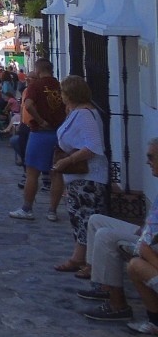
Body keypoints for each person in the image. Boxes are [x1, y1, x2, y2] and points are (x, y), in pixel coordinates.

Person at [77, 138, 158, 327]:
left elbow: (147, 242)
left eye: (151, 157)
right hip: (147, 233)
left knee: (106, 236)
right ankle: (102, 284)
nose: (148, 162)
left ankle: (117, 303)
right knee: (96, 220)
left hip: (151, 241)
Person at [52, 75, 107, 272]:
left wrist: (68, 160)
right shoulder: (78, 112)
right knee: (79, 217)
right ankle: (80, 258)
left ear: (71, 94)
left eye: (63, 92)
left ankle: (90, 263)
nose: (61, 95)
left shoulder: (85, 115)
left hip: (89, 177)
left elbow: (93, 146)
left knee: (86, 219)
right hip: (79, 178)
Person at [9, 58, 65, 221]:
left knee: (32, 173)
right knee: (57, 173)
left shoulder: (36, 86)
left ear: (38, 70)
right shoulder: (59, 85)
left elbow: (28, 104)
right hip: (59, 133)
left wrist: (40, 120)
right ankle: (52, 211)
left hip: (40, 133)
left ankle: (27, 209)